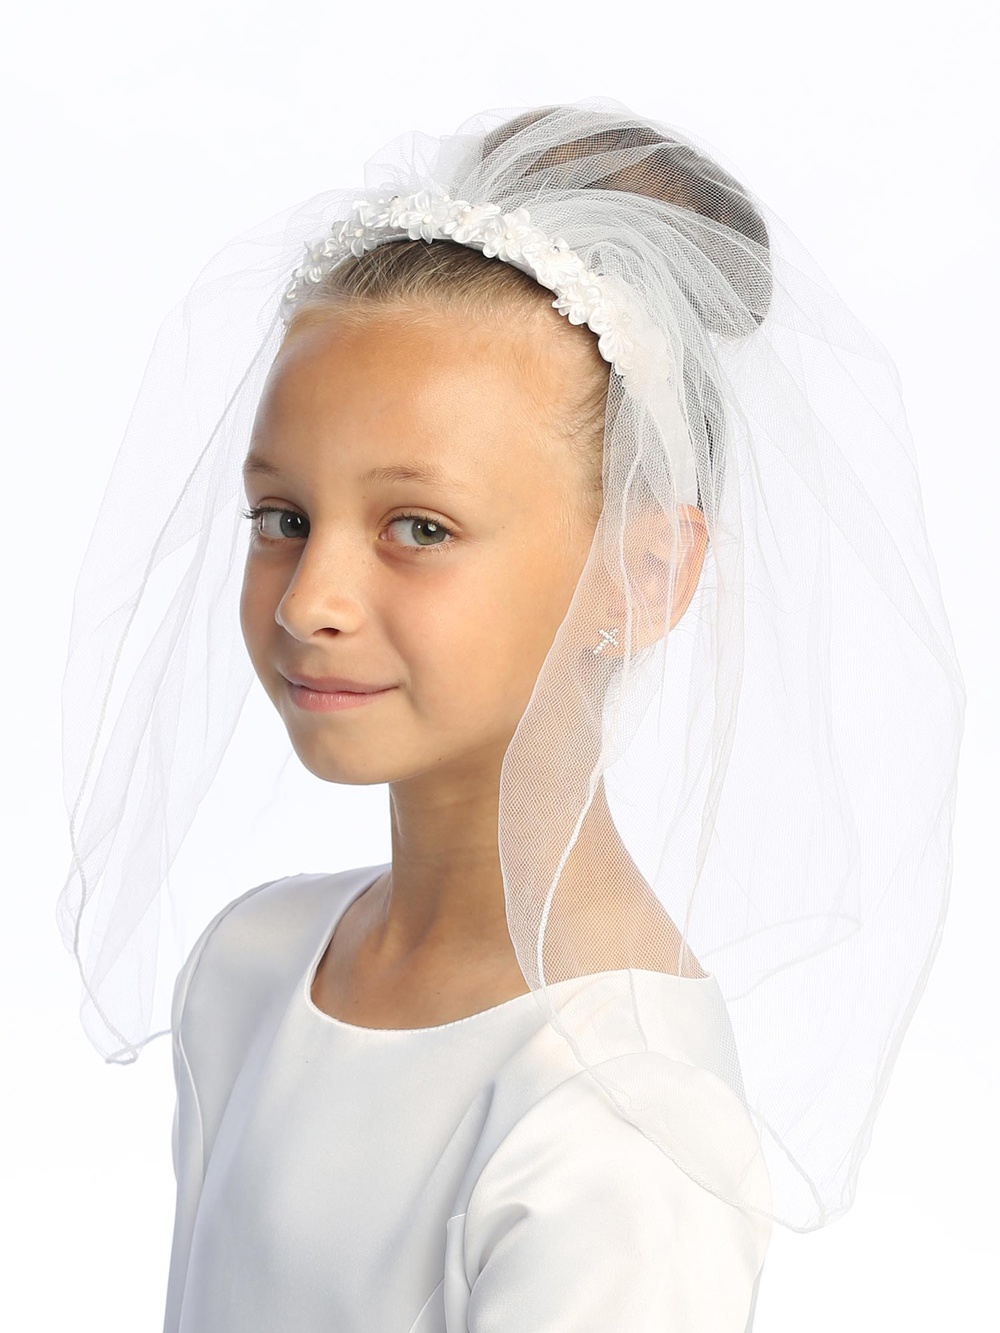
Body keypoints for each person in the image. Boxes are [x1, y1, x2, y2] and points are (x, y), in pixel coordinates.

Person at [57, 97, 965, 1331]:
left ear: (643, 575)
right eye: (283, 517)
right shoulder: (252, 968)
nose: (311, 598)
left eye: (418, 528)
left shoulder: (618, 1120)